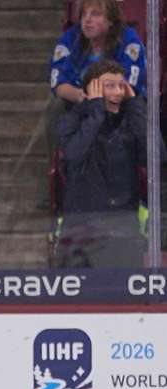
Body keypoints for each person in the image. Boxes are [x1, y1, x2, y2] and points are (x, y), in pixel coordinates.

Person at [56, 59, 149, 268]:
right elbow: (73, 155)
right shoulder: (72, 120)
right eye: (109, 86)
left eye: (121, 85)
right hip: (82, 231)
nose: (118, 92)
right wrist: (96, 111)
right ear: (92, 89)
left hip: (124, 228)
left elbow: (156, 157)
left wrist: (136, 107)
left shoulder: (131, 119)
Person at [45, 0, 146, 156]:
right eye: (84, 14)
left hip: (119, 101)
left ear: (111, 20)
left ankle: (144, 166)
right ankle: (61, 162)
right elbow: (58, 84)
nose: (87, 20)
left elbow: (129, 87)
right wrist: (81, 96)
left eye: (95, 14)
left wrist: (100, 99)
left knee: (138, 105)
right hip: (84, 100)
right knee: (56, 107)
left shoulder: (129, 40)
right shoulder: (71, 38)